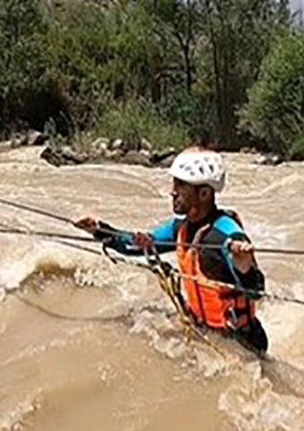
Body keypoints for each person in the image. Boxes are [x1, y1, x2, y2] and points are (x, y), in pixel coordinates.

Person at [75, 148, 269, 354]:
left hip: (242, 343)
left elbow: (256, 291)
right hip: (205, 331)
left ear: (203, 193)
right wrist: (97, 229)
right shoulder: (181, 228)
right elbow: (135, 246)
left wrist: (244, 268)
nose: (172, 191)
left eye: (181, 185)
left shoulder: (227, 234)